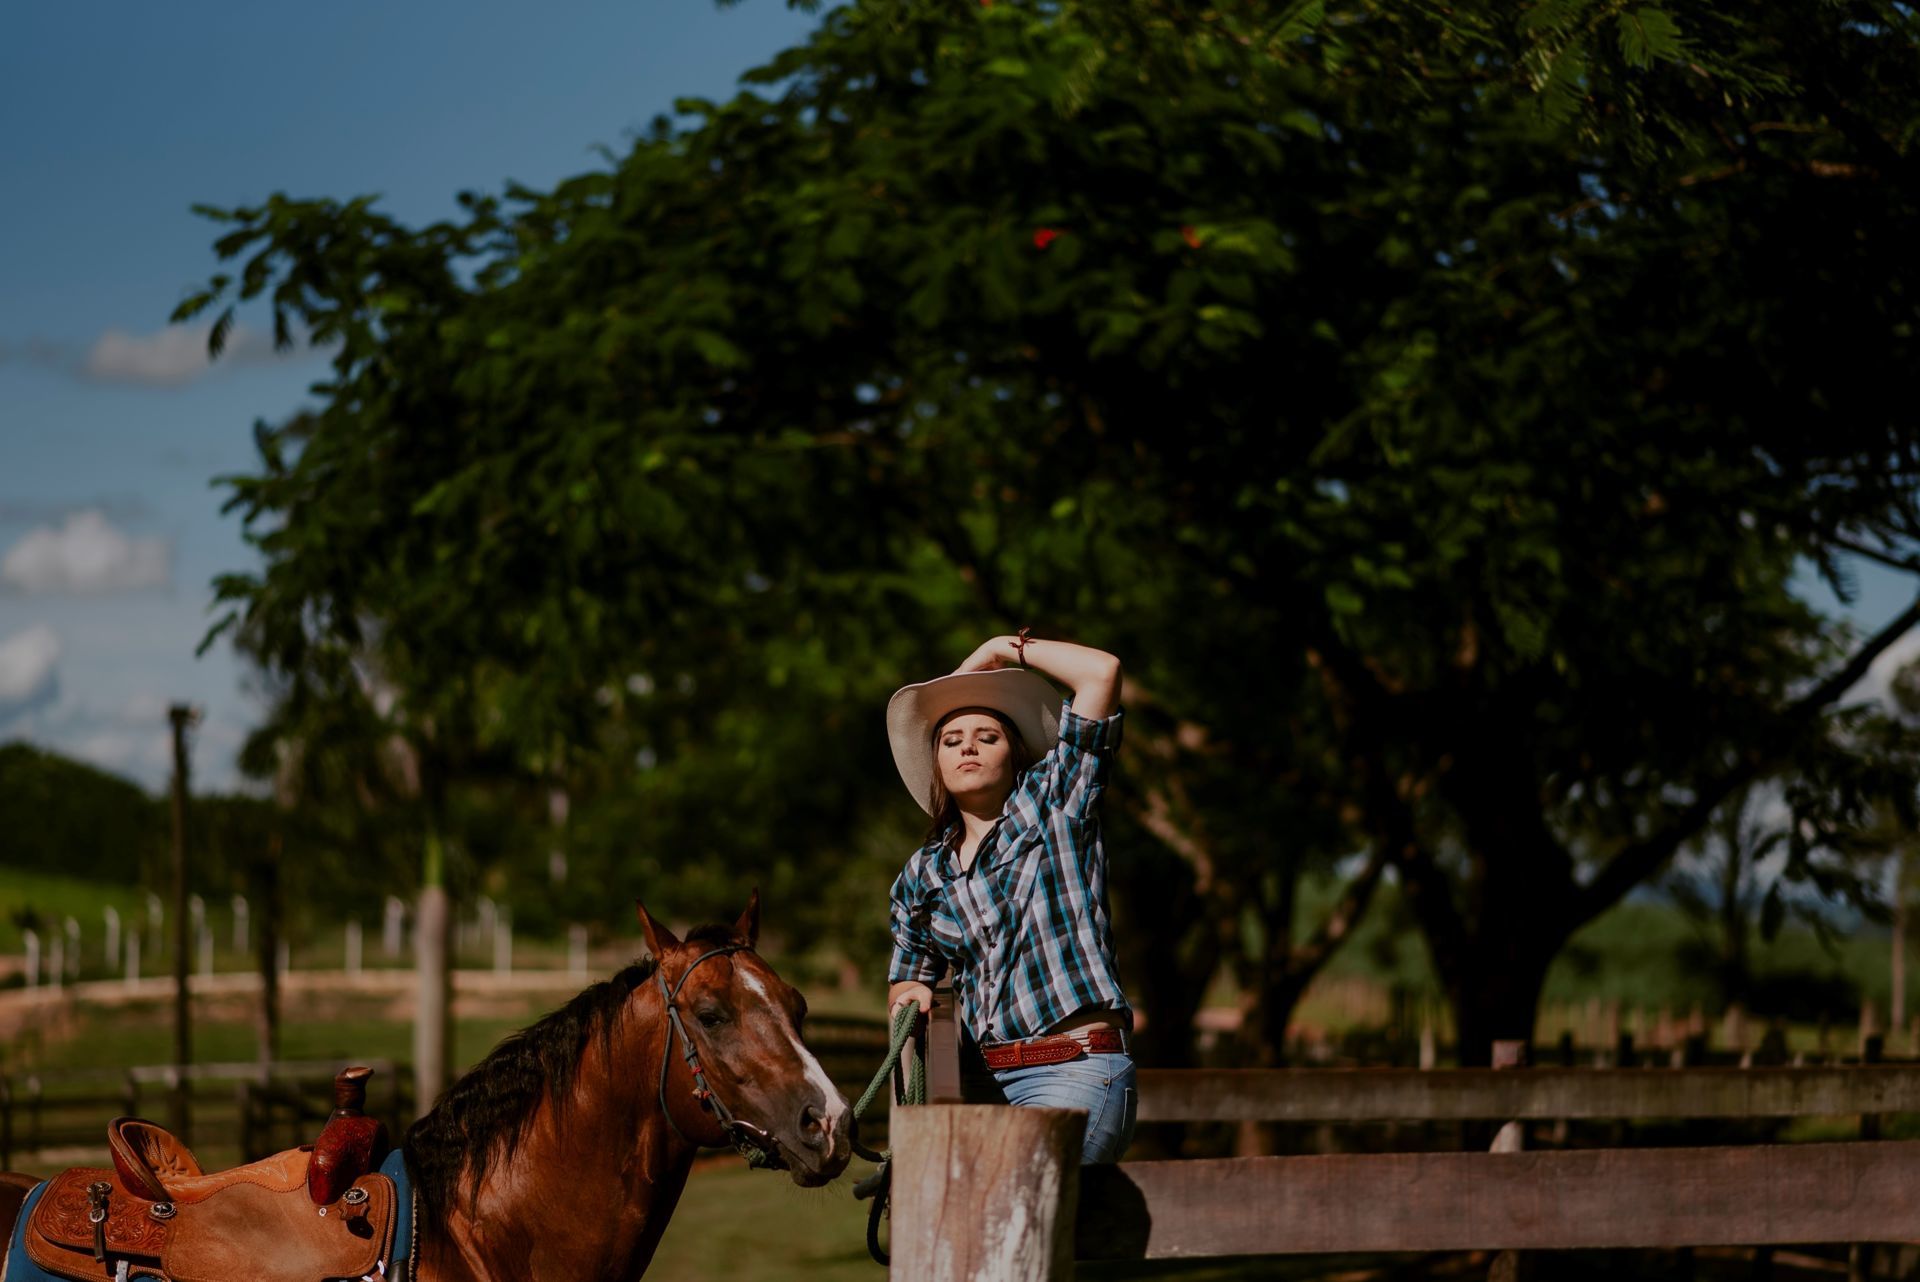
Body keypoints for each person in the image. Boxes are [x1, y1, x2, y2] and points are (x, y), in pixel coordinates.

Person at [884, 631, 1135, 1164]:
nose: (967, 746)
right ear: (938, 766)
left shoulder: (1055, 802)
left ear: (1015, 752)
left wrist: (1000, 650)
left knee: (1011, 1205)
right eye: (951, 741)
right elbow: (908, 981)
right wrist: (912, 996)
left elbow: (1102, 674)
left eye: (986, 736)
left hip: (1076, 1069)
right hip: (981, 1084)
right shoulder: (921, 875)